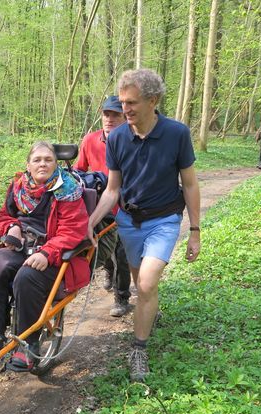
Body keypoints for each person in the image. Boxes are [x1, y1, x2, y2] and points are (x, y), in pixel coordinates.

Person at [87, 69, 201, 382]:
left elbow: (190, 184)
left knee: (147, 284)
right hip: (129, 222)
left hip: (164, 219)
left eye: (132, 102)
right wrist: (91, 222)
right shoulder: (118, 137)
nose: (125, 109)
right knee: (141, 284)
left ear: (153, 100)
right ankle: (150, 311)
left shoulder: (177, 134)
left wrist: (195, 231)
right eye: (123, 102)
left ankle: (138, 348)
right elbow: (112, 190)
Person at [0, 141, 90, 372]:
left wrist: (47, 252)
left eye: (48, 159)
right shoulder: (18, 186)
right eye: (37, 159)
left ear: (56, 164)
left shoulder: (68, 189)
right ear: (28, 164)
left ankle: (28, 344)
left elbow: (73, 230)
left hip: (54, 254)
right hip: (21, 247)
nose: (42, 163)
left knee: (27, 276)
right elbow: (4, 215)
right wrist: (11, 228)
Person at [74, 95, 132, 317]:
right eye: (106, 114)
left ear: (125, 117)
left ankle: (122, 297)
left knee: (123, 254)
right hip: (99, 209)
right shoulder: (90, 140)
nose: (109, 119)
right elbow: (80, 169)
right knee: (103, 249)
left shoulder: (131, 142)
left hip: (124, 208)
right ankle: (109, 273)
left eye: (115, 115)